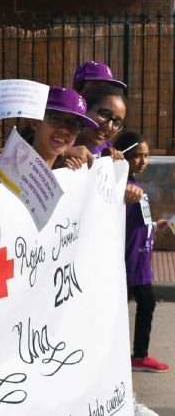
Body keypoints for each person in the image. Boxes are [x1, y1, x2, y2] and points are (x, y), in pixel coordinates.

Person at [114, 131, 170, 374]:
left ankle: (138, 355)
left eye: (146, 156)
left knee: (145, 305)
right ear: (124, 156)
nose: (143, 161)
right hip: (129, 263)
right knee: (125, 311)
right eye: (137, 155)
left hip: (142, 261)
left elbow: (139, 222)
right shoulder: (122, 188)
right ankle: (130, 356)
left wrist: (155, 225)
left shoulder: (135, 185)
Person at [20, 86, 99, 170]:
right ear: (35, 122)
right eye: (56, 119)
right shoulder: (12, 166)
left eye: (74, 125)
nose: (64, 130)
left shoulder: (66, 173)